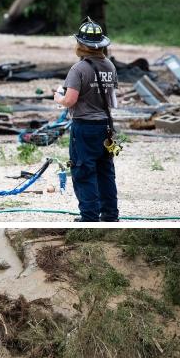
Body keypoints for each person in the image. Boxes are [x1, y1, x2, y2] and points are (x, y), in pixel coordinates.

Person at [55, 17, 119, 222]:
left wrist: (58, 97)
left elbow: (70, 100)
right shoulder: (110, 66)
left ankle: (89, 217)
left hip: (84, 127)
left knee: (83, 171)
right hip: (105, 127)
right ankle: (110, 214)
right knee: (105, 172)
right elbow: (112, 98)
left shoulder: (78, 69)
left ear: (81, 44)